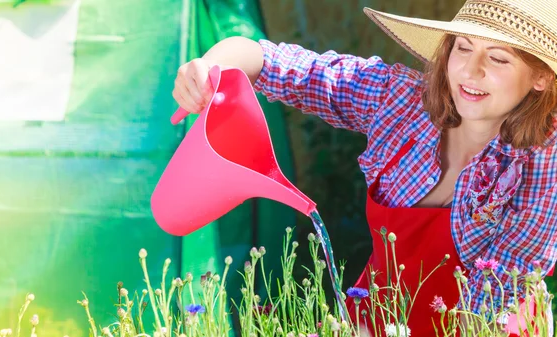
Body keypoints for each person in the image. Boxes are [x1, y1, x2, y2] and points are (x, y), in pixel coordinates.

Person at [172, 0, 557, 335]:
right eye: (463, 47)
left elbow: (495, 298)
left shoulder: (544, 161)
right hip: (374, 320)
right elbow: (280, 65)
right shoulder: (400, 102)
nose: (471, 71)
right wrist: (210, 67)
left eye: (498, 58)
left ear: (541, 77)